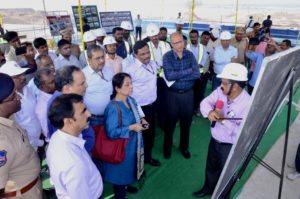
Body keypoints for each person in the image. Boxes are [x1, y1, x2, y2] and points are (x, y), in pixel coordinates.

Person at [193, 63, 250, 198]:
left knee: (226, 176)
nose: (220, 85)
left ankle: (223, 196)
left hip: (230, 146)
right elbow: (204, 103)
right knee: (211, 167)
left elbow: (241, 132)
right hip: (215, 140)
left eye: (224, 83)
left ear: (235, 86)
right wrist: (210, 112)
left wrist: (223, 121)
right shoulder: (220, 91)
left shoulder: (247, 104)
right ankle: (208, 188)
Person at [47, 94, 103, 199]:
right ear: (68, 121)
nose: (89, 114)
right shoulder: (74, 165)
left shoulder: (58, 136)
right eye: (83, 111)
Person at [102, 73, 148, 199]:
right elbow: (111, 133)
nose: (131, 87)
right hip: (122, 149)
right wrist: (131, 127)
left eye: (131, 83)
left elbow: (139, 114)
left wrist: (143, 121)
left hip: (133, 146)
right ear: (117, 88)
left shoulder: (131, 100)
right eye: (127, 85)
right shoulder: (113, 107)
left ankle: (125, 186)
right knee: (120, 173)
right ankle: (120, 194)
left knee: (128, 170)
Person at [0, 73, 42, 199]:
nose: (19, 97)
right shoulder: (2, 140)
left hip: (33, 188)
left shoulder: (9, 118)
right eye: (13, 96)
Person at [162, 32, 200, 159]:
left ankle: (184, 147)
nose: (180, 44)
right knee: (170, 124)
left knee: (186, 123)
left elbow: (197, 74)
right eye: (176, 42)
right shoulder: (167, 57)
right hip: (173, 95)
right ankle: (167, 148)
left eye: (181, 41)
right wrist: (189, 71)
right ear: (171, 44)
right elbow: (169, 76)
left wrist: (179, 75)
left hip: (188, 95)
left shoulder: (190, 55)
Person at [123, 40, 161, 166]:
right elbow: (127, 92)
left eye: (148, 53)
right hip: (139, 109)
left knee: (150, 134)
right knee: (138, 137)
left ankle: (147, 158)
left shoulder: (153, 64)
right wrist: (137, 112)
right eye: (142, 54)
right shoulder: (130, 70)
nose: (146, 56)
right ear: (135, 55)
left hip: (153, 106)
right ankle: (136, 163)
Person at [47, 66, 95, 153]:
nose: (86, 85)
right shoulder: (60, 108)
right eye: (82, 83)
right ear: (66, 88)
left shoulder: (70, 100)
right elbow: (73, 147)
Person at [0, 61, 43, 150]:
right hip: (29, 146)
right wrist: (37, 142)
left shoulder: (27, 88)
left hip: (41, 136)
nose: (23, 77)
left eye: (23, 74)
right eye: (17, 76)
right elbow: (19, 129)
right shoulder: (9, 104)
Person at [83, 45, 113, 127]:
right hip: (94, 120)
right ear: (89, 60)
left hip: (111, 116)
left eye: (103, 57)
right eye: (97, 58)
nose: (102, 60)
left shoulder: (109, 70)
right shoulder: (83, 75)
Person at [187, 29, 208, 115]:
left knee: (199, 93)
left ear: (198, 37)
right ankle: (190, 109)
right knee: (190, 93)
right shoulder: (187, 47)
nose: (193, 38)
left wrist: (197, 66)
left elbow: (203, 61)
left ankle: (197, 109)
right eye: (191, 37)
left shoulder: (203, 47)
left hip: (200, 75)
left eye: (195, 36)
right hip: (189, 75)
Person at [34, 68, 55, 140]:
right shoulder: (42, 108)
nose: (56, 83)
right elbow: (48, 133)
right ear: (41, 87)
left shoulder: (57, 92)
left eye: (55, 80)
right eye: (52, 82)